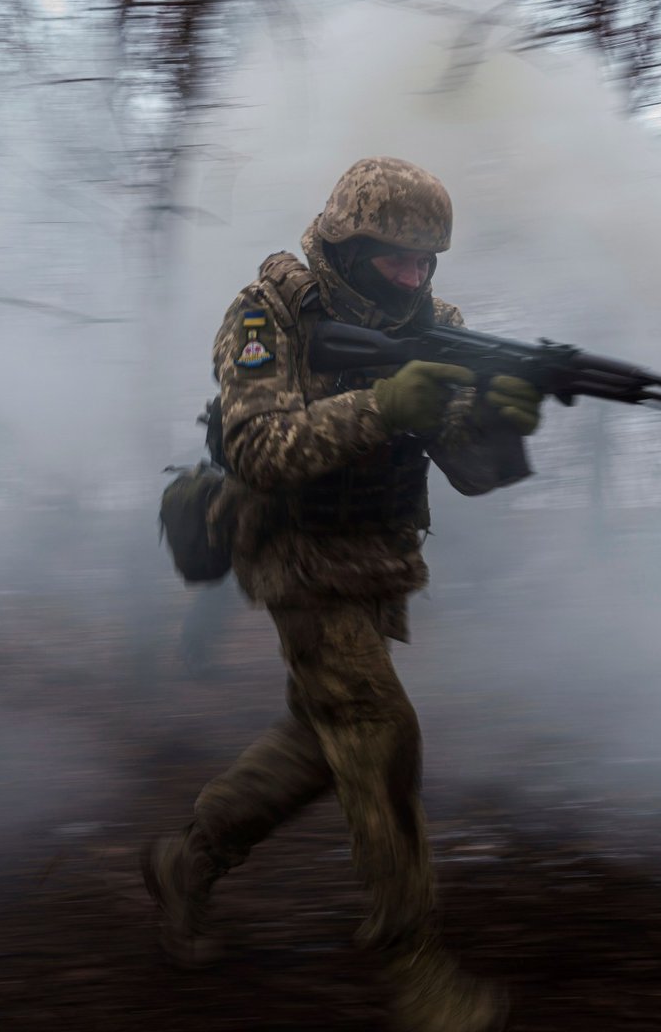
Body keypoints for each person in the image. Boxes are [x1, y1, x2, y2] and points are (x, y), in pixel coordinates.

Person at [142, 157, 542, 1031]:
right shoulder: (269, 313)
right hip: (289, 548)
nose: (416, 278)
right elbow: (256, 448)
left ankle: (191, 857)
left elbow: (471, 475)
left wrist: (500, 422)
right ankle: (412, 958)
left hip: (375, 559)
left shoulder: (437, 325)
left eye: (427, 262)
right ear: (349, 245)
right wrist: (384, 406)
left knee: (325, 739)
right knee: (375, 728)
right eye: (398, 260)